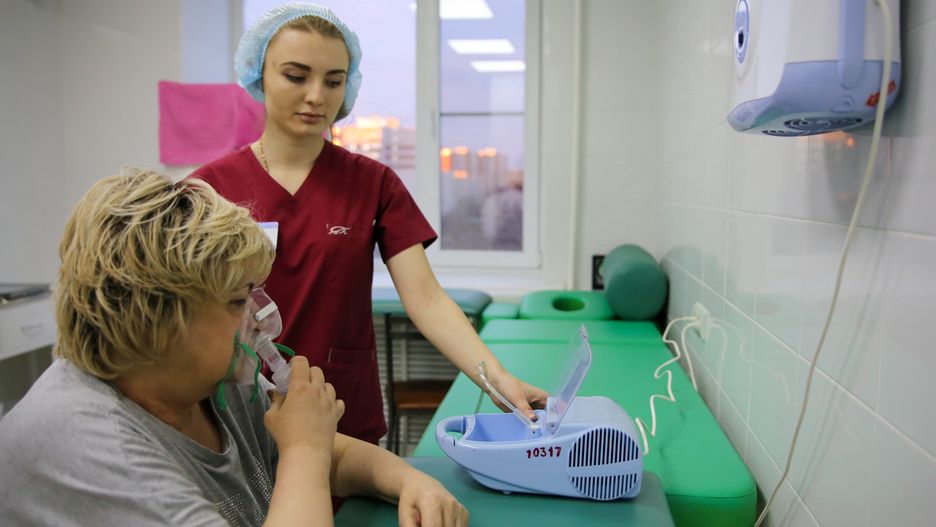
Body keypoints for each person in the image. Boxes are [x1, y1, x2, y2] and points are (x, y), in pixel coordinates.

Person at [0, 170, 468, 526]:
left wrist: (410, 481)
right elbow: (308, 453)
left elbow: (333, 456)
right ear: (159, 320)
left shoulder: (212, 379)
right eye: (238, 300)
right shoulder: (92, 443)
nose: (261, 317)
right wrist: (306, 448)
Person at [193, 2, 547, 445]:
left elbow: (427, 300)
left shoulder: (372, 183)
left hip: (342, 406)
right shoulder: (208, 190)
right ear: (259, 75)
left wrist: (497, 379)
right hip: (237, 415)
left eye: (333, 81)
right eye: (296, 76)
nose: (317, 96)